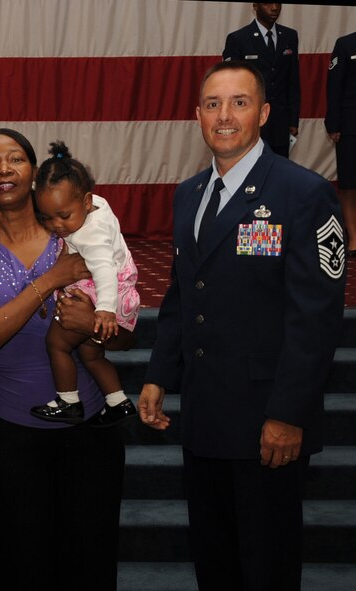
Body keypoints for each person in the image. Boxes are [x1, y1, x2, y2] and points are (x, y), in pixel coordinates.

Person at [139, 61, 346, 591]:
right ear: (198, 116)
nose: (224, 116)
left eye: (239, 102)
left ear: (265, 113)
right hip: (205, 415)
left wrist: (288, 414)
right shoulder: (188, 194)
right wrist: (160, 374)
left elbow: (315, 318)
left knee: (266, 566)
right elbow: (185, 293)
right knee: (216, 561)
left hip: (266, 422)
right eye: (212, 104)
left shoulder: (303, 192)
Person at [0, 128, 125, 589]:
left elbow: (124, 336)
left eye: (15, 158)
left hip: (90, 435)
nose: (4, 168)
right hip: (8, 438)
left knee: (89, 565)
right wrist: (50, 280)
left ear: (35, 174)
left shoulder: (81, 234)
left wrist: (98, 321)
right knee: (17, 567)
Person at [29, 141, 139, 427]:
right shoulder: (97, 204)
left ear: (87, 202)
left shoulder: (91, 235)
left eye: (64, 216)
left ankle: (68, 401)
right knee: (91, 353)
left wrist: (103, 310)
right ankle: (118, 401)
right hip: (121, 289)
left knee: (56, 344)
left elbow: (103, 268)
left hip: (104, 294)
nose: (57, 225)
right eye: (47, 217)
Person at [223, 3, 300, 158]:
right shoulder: (238, 38)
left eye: (278, 3)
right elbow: (230, 85)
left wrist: (293, 120)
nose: (274, 8)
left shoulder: (289, 36)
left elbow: (293, 81)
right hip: (250, 121)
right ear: (256, 6)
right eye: (268, 3)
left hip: (280, 122)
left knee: (279, 172)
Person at [325, 32, 356, 254]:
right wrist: (334, 124)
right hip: (350, 125)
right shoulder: (345, 44)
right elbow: (334, 85)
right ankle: (354, 237)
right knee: (349, 183)